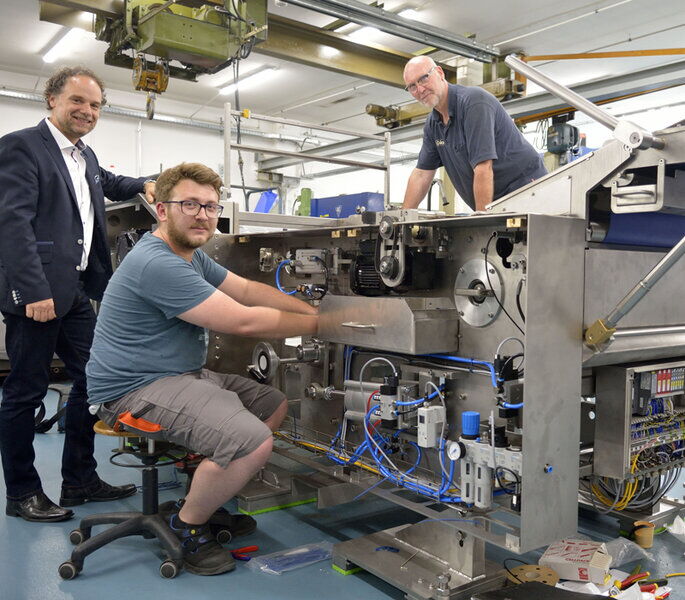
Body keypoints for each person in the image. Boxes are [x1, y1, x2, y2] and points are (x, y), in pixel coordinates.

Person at [86, 162, 319, 575]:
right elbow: (242, 320)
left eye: (211, 207)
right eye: (190, 204)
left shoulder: (190, 257)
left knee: (271, 405)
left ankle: (200, 500)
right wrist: (326, 324)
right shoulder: (157, 262)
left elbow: (245, 290)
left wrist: (310, 309)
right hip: (133, 389)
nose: (203, 215)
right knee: (251, 441)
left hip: (179, 375)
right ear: (162, 210)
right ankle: (188, 525)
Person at [0, 66, 156, 523]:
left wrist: (147, 184)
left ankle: (80, 479)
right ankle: (22, 492)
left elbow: (106, 182)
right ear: (52, 99)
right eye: (77, 101)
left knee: (94, 379)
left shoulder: (83, 154)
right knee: (25, 394)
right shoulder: (21, 146)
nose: (87, 111)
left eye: (95, 105)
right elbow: (12, 224)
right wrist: (33, 290)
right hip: (39, 295)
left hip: (74, 294)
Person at [402, 56, 547, 212]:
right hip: (497, 204)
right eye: (412, 86)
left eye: (424, 79)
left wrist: (481, 219)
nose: (420, 90)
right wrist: (401, 220)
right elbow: (421, 175)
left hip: (527, 191)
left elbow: (483, 167)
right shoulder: (433, 124)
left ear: (440, 73)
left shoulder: (474, 102)